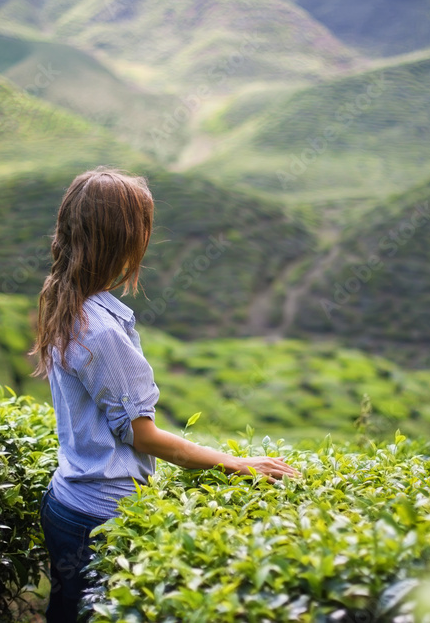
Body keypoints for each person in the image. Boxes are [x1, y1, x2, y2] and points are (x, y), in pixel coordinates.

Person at [30, 167, 300, 622]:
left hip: (65, 503)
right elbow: (144, 437)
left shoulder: (64, 296)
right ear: (119, 240)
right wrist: (235, 462)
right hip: (97, 517)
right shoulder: (100, 332)